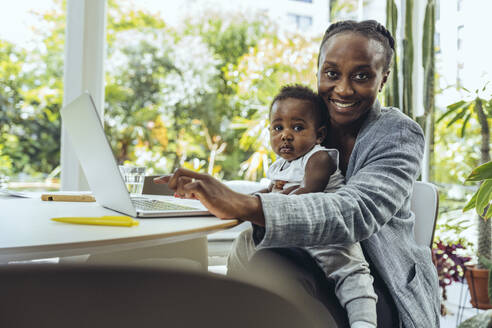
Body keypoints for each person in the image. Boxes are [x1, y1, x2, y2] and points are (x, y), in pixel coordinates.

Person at [154, 19, 440, 328]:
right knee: (264, 270)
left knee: (269, 273)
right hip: (311, 265)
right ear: (318, 71)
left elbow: (356, 211)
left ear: (382, 79)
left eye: (361, 76)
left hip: (377, 285)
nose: (343, 88)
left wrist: (246, 205)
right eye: (332, 74)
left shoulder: (398, 134)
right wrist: (214, 197)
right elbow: (282, 182)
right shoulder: (308, 122)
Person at [226, 84, 377, 328]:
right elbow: (266, 192)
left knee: (352, 275)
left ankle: (364, 322)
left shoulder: (319, 157)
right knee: (243, 241)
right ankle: (235, 298)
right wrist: (235, 200)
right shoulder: (280, 166)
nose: (286, 135)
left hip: (329, 235)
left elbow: (307, 192)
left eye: (297, 127)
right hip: (295, 239)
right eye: (278, 128)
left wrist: (265, 202)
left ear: (318, 134)